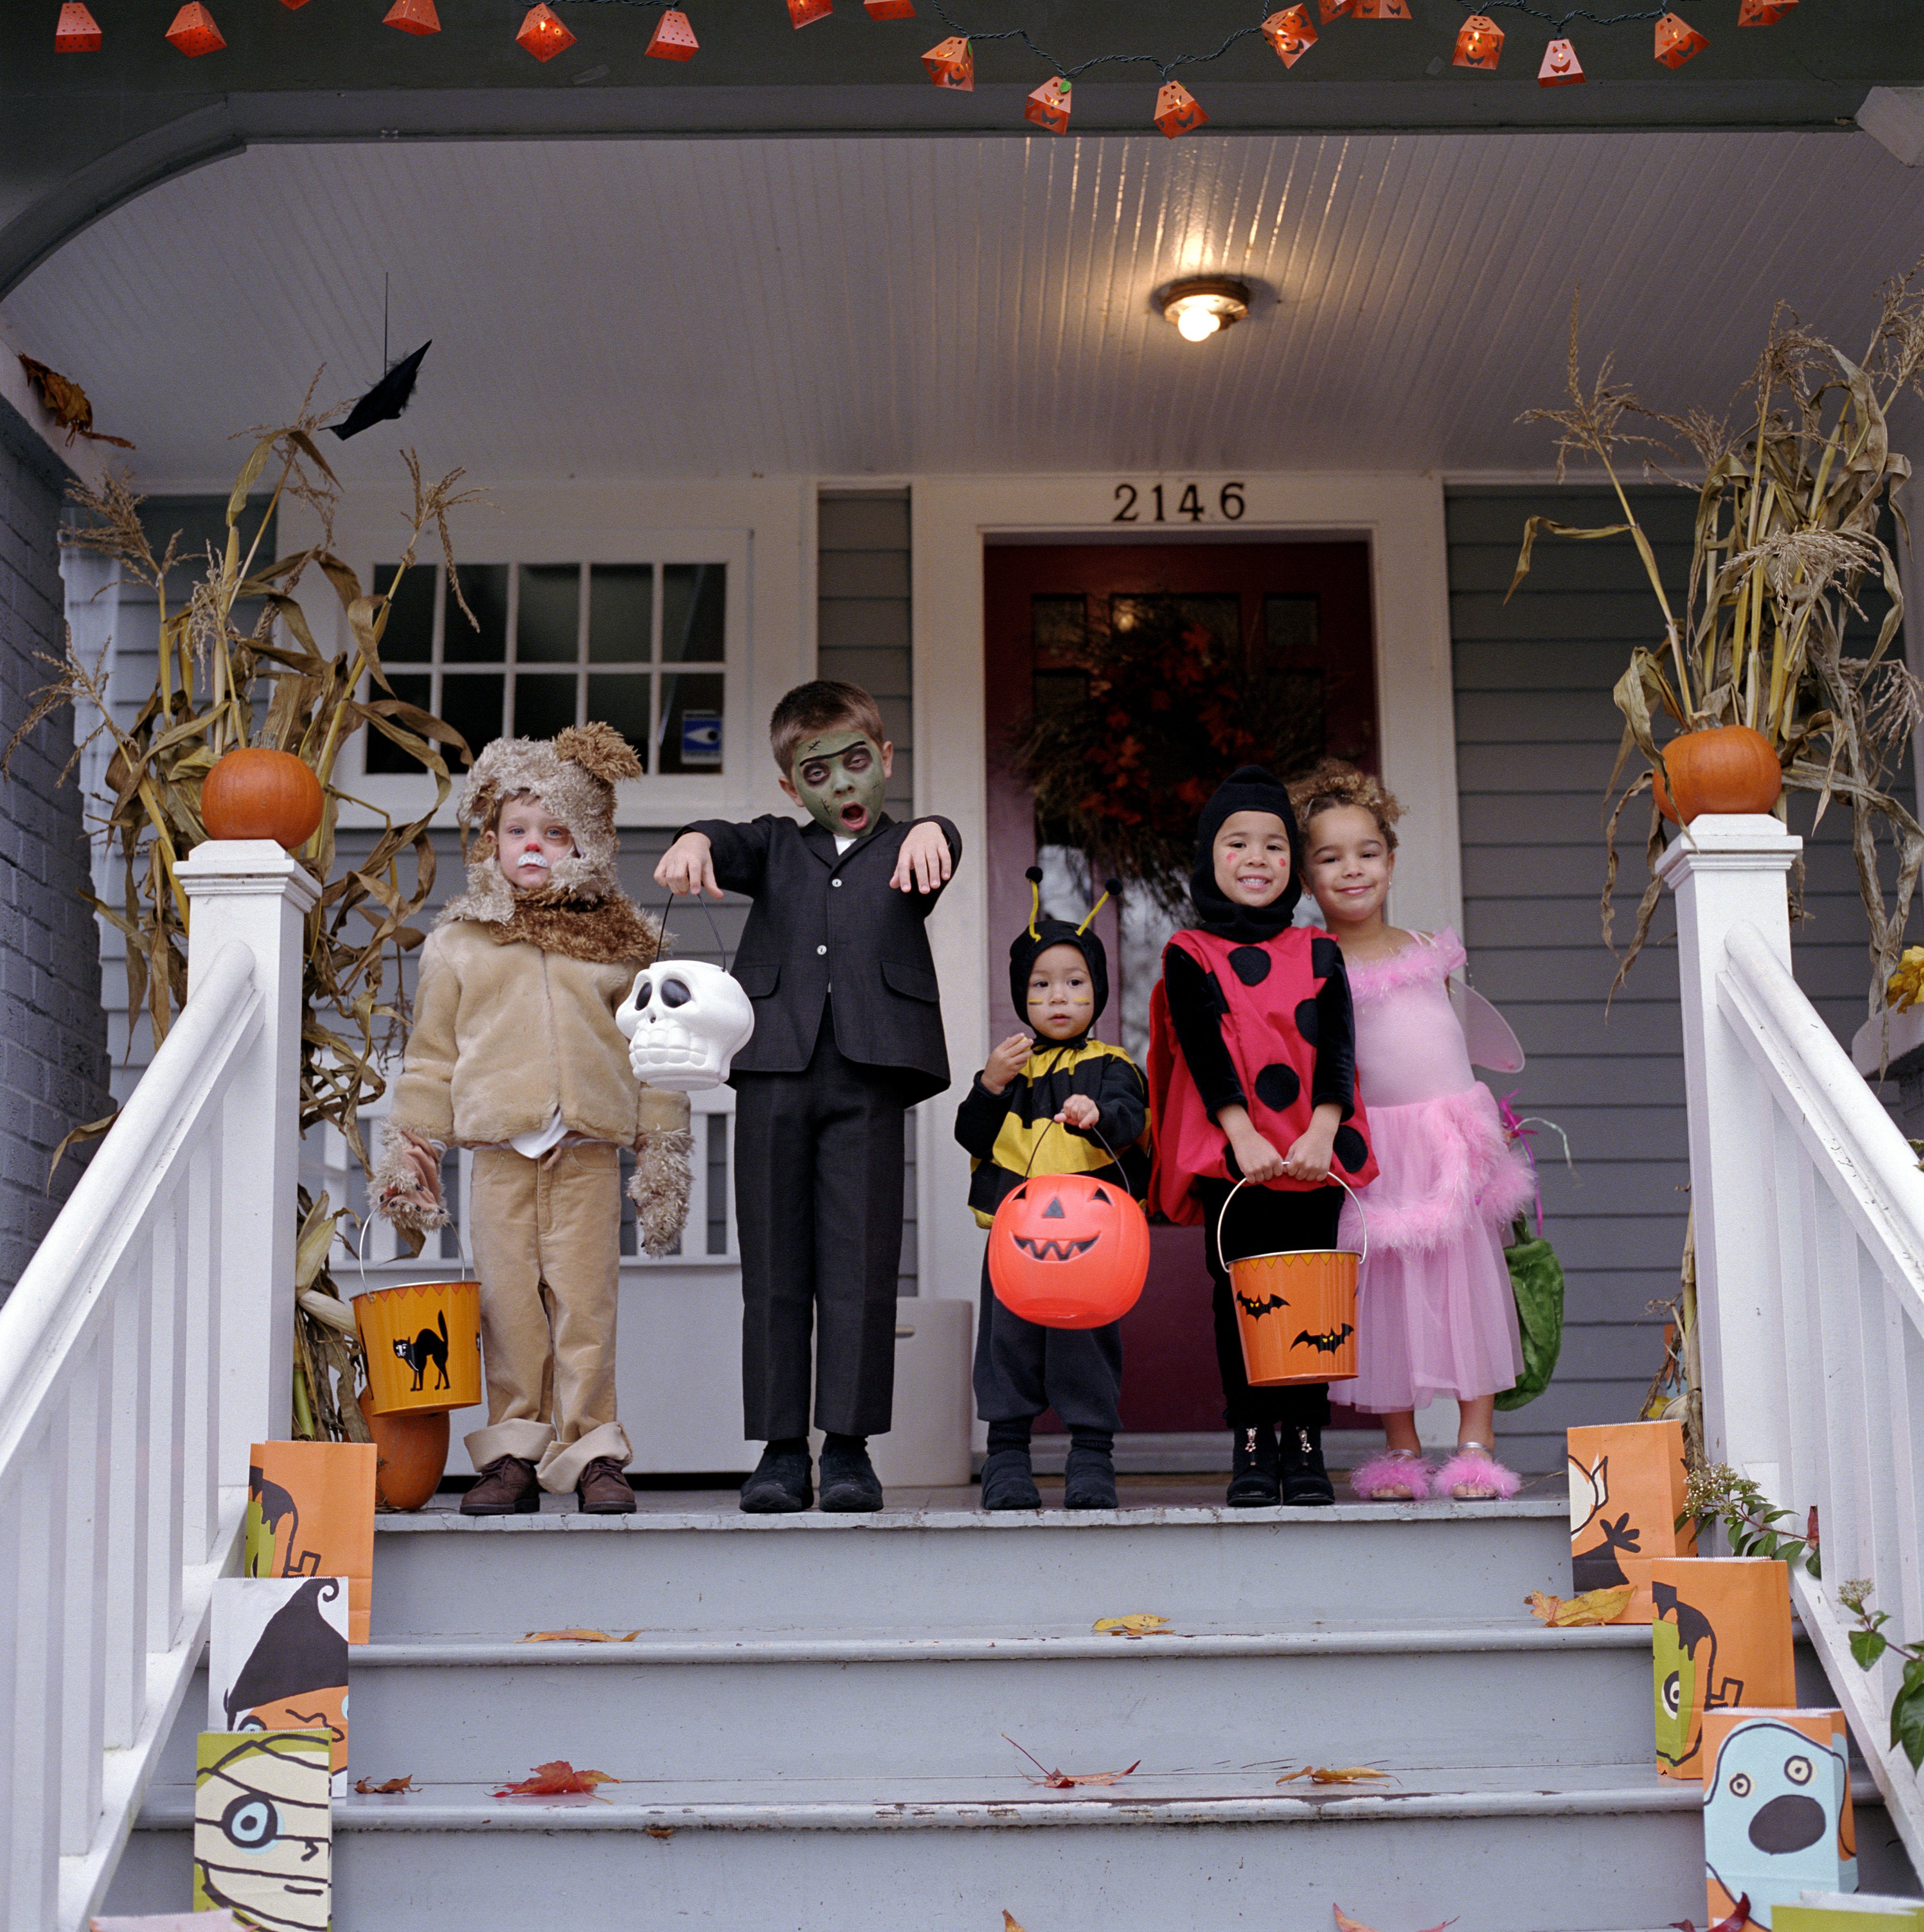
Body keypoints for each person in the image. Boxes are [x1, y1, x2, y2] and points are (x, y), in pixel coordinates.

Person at [654, 680, 961, 1515]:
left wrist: (935, 826)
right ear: (793, 788)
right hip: (775, 1070)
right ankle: (782, 1449)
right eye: (817, 772)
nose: (842, 785)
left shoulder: (912, 849)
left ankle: (851, 1448)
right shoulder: (774, 846)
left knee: (861, 1267)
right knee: (776, 1267)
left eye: (857, 762)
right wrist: (691, 837)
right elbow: (724, 838)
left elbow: (946, 844)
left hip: (867, 1073)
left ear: (885, 759)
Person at [375, 724, 693, 1517]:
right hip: (500, 1158)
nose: (535, 847)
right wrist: (412, 1153)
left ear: (590, 844)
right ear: (488, 840)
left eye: (557, 834)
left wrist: (660, 1152)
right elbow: (430, 1061)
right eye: (518, 831)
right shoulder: (459, 946)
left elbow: (653, 1054)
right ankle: (513, 1452)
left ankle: (592, 1452)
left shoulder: (622, 947)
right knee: (508, 1308)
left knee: (586, 1308)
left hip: (584, 1152)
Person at [1292, 763, 1533, 1502]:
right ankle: (1399, 1448)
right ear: (1306, 877)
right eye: (1329, 858)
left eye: (1366, 852)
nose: (1351, 870)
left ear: (1391, 861)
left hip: (1447, 1140)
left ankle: (1473, 1443)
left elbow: (1458, 1042)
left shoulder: (1429, 948)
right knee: (1384, 1290)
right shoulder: (1310, 962)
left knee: (1466, 1284)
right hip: (1371, 1146)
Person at [1148, 766, 1378, 1508]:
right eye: (1237, 842)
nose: (1256, 858)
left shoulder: (1318, 952)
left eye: (1274, 845)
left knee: (1311, 1290)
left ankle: (1305, 1440)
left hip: (1311, 1149)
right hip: (1236, 1155)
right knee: (1244, 1296)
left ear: (1293, 865)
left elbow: (1339, 1047)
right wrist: (1240, 1132)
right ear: (1208, 858)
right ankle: (1252, 1439)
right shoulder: (1189, 951)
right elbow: (1202, 1047)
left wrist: (1321, 1128)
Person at [955, 870, 1150, 1513]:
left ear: (1096, 991)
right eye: (1041, 985)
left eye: (1074, 982)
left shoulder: (1114, 1065)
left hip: (1092, 1239)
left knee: (1084, 1340)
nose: (1058, 997)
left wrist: (1099, 1117)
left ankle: (1090, 1456)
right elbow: (971, 1135)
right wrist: (988, 1084)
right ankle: (1006, 1456)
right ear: (1021, 994)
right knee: (1006, 1341)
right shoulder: (1009, 1065)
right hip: (1015, 1232)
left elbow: (1132, 1120)